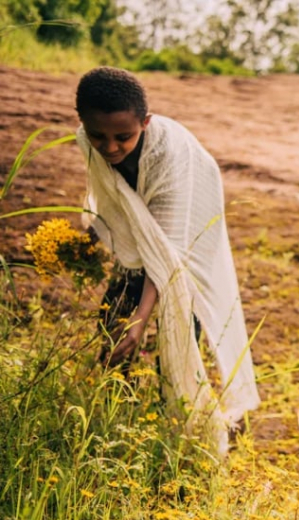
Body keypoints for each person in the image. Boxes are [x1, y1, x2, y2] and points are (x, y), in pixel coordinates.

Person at [75, 66, 260, 457]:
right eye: (99, 136)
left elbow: (169, 254)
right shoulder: (86, 139)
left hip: (190, 216)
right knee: (114, 320)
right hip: (148, 224)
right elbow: (110, 195)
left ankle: (188, 424)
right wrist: (91, 235)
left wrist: (141, 322)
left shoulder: (172, 157)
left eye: (123, 137)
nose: (109, 147)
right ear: (83, 125)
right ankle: (111, 418)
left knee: (181, 319)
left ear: (146, 122)